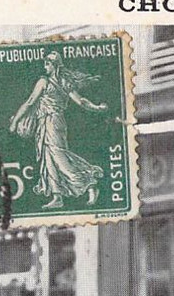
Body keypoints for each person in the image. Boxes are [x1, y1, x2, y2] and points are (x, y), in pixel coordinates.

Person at [9, 52, 107, 210]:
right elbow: (81, 101)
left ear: (54, 65)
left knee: (58, 156)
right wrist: (96, 107)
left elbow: (29, 103)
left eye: (47, 64)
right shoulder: (63, 82)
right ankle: (57, 197)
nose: (45, 67)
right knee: (48, 159)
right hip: (48, 122)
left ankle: (89, 183)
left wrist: (15, 121)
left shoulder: (44, 81)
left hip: (52, 122)